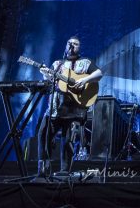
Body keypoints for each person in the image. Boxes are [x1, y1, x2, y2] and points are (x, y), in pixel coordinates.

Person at [37, 36, 103, 177]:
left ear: (80, 47)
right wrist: (45, 74)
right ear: (66, 46)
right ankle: (43, 171)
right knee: (43, 134)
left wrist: (84, 80)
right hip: (55, 108)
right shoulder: (57, 64)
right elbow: (51, 83)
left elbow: (99, 73)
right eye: (70, 43)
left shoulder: (86, 62)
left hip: (75, 109)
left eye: (76, 43)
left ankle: (64, 172)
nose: (72, 45)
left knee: (68, 141)